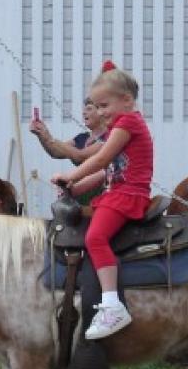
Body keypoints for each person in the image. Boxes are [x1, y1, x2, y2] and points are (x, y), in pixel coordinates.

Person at [51, 61, 153, 340]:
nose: (100, 113)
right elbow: (103, 173)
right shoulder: (117, 127)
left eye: (104, 106)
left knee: (95, 238)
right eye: (96, 107)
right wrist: (74, 187)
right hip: (116, 191)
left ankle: (112, 304)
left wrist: (71, 175)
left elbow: (101, 160)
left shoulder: (129, 122)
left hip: (128, 194)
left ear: (127, 100)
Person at [30, 96, 109, 204]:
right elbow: (55, 151)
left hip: (100, 190)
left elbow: (80, 156)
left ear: (101, 112)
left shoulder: (108, 138)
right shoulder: (82, 137)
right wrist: (41, 133)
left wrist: (49, 137)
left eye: (89, 109)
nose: (84, 112)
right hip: (78, 190)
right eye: (84, 109)